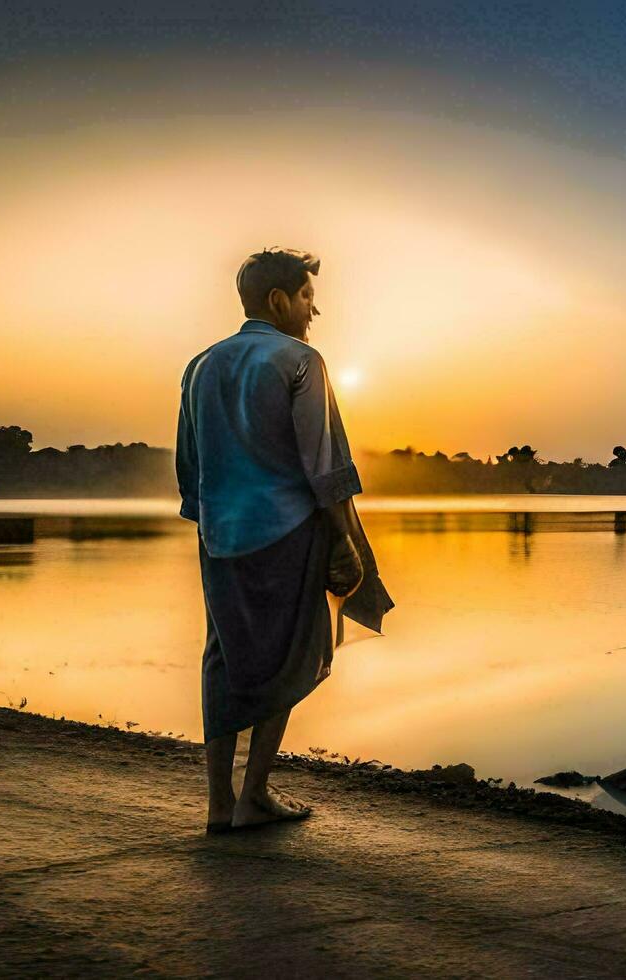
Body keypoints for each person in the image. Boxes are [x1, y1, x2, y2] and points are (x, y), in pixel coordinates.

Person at [176, 247, 392, 833]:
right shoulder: (301, 361)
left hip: (220, 536)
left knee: (221, 659)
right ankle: (255, 796)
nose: (312, 312)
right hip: (288, 531)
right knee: (293, 656)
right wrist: (348, 541)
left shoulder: (199, 365)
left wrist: (213, 522)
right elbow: (324, 467)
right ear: (278, 300)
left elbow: (188, 468)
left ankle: (219, 805)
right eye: (306, 298)